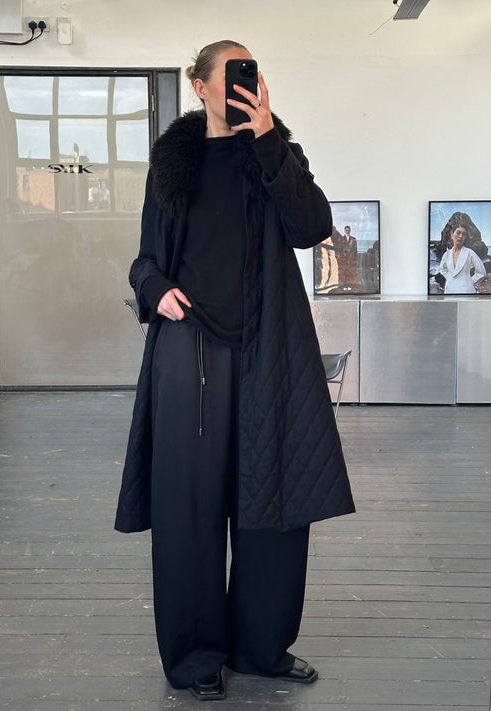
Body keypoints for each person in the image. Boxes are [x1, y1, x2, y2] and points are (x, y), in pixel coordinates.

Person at [115, 39, 355, 701]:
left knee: (273, 501)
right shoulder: (173, 164)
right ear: (199, 86)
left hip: (270, 355)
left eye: (253, 73)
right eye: (231, 73)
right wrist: (156, 290)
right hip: (188, 354)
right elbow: (143, 261)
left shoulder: (276, 153)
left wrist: (269, 138)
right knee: (189, 509)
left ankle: (261, 649)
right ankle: (196, 659)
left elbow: (311, 226)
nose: (245, 83)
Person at [439, 223, 486, 293]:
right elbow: (442, 269)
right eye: (458, 233)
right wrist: (450, 279)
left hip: (466, 291)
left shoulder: (470, 253)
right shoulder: (447, 254)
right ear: (452, 234)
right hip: (450, 290)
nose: (461, 236)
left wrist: (469, 282)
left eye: (463, 234)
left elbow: (481, 273)